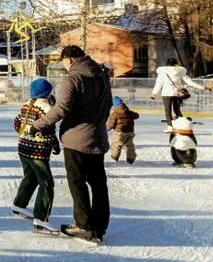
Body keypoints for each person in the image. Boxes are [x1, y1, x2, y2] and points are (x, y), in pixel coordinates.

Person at [31, 45, 111, 243]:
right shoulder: (102, 76)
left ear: (69, 59)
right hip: (98, 137)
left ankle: (84, 226)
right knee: (98, 183)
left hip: (76, 140)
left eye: (63, 62)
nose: (64, 66)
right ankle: (99, 226)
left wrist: (38, 125)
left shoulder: (73, 78)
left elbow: (61, 109)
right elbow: (108, 104)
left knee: (77, 182)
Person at [11, 78, 59, 233]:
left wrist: (25, 135)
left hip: (23, 147)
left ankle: (19, 205)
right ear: (48, 92)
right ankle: (41, 220)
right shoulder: (46, 107)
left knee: (30, 177)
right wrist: (54, 143)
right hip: (37, 150)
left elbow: (16, 124)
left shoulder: (27, 104)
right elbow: (48, 128)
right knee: (46, 183)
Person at [150, 58, 204, 131]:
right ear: (176, 64)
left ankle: (170, 127)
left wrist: (154, 93)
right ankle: (181, 125)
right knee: (177, 110)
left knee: (168, 111)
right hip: (177, 93)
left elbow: (159, 84)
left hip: (166, 93)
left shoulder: (162, 72)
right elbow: (189, 82)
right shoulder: (180, 71)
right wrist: (202, 87)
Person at [107, 96, 140, 164]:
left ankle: (114, 157)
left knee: (116, 145)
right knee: (129, 145)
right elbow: (137, 115)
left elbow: (111, 125)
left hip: (119, 133)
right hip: (130, 132)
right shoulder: (128, 112)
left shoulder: (115, 114)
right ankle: (131, 158)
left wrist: (106, 129)